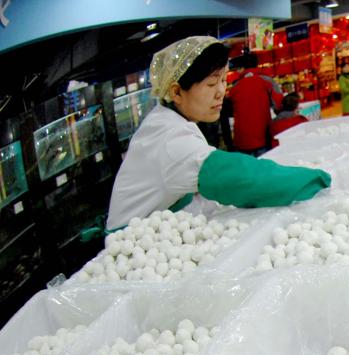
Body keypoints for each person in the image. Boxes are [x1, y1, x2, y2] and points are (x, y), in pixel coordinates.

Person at [106, 36, 330, 231]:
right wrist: (315, 181)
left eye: (223, 80)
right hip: (132, 243)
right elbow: (238, 178)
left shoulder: (170, 120)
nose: (222, 91)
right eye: (212, 83)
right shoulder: (170, 138)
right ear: (176, 92)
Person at [229, 52, 283, 155]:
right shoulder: (267, 81)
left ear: (242, 67)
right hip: (263, 136)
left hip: (241, 140)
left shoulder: (235, 87)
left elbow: (229, 110)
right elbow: (279, 105)